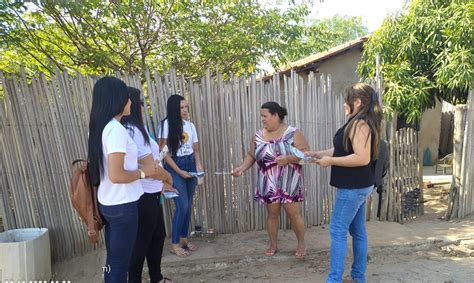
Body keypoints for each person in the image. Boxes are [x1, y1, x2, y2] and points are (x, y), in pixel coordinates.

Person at [305, 83, 383, 283]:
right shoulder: (359, 122)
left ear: (356, 102)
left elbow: (361, 158)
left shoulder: (360, 124)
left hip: (353, 188)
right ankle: (358, 277)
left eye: (346, 100)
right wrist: (317, 154)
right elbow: (343, 150)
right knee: (357, 231)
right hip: (358, 186)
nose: (343, 104)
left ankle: (334, 279)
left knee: (337, 230)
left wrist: (330, 161)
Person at [87, 77, 155, 283]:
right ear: (116, 99)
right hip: (122, 205)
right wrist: (144, 173)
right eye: (127, 97)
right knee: (119, 264)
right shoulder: (115, 130)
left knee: (114, 260)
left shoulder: (101, 127)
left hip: (110, 202)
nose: (131, 102)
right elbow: (117, 175)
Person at [232, 101, 310, 259]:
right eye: (261, 116)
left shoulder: (292, 133)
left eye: (265, 116)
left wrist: (288, 158)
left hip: (290, 180)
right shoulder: (258, 135)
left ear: (276, 115)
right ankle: (273, 244)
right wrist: (242, 168)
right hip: (268, 181)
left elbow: (306, 154)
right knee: (272, 214)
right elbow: (251, 155)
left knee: (294, 214)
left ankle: (301, 243)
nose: (262, 119)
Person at [122, 87, 175, 283]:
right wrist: (168, 177)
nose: (144, 107)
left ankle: (156, 277)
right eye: (141, 102)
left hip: (151, 192)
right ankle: (135, 279)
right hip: (144, 194)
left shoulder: (133, 129)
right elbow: (150, 168)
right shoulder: (133, 130)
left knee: (157, 235)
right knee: (141, 243)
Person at [158, 94, 204, 257]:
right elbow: (163, 153)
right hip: (174, 166)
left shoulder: (190, 125)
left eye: (186, 107)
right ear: (173, 109)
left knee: (189, 203)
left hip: (190, 164)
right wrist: (178, 171)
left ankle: (184, 238)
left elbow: (196, 149)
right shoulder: (165, 125)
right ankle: (175, 243)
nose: (185, 110)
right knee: (182, 205)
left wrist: (198, 165)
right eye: (181, 108)